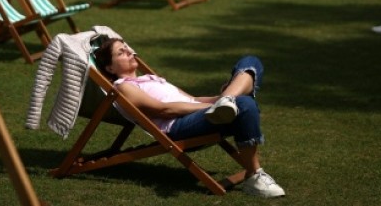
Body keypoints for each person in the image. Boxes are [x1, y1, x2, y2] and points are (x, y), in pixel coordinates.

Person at [93, 38, 286, 198]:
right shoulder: (124, 87)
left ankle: (228, 98)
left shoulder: (149, 78)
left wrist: (219, 99)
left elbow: (191, 99)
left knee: (251, 61)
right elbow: (163, 110)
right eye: (120, 52)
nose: (128, 52)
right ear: (110, 68)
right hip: (178, 127)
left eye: (126, 48)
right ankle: (255, 175)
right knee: (244, 104)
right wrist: (212, 106)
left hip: (197, 114)